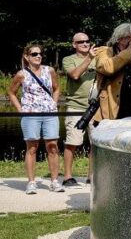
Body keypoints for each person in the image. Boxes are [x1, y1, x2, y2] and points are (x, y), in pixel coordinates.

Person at [7, 44, 64, 194]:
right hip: (30, 114)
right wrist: (21, 110)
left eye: (40, 54)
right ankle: (31, 182)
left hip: (49, 113)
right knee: (32, 147)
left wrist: (54, 103)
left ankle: (54, 181)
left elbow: (57, 88)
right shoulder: (21, 74)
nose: (38, 56)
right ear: (27, 57)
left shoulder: (49, 70)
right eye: (34, 54)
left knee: (52, 145)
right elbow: (11, 92)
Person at [61, 32, 98, 187]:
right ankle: (68, 176)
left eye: (87, 41)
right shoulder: (68, 60)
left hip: (96, 107)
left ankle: (92, 176)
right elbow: (75, 75)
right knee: (72, 142)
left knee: (95, 144)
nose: (85, 44)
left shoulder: (98, 57)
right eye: (81, 42)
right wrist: (89, 58)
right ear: (74, 44)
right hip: (76, 106)